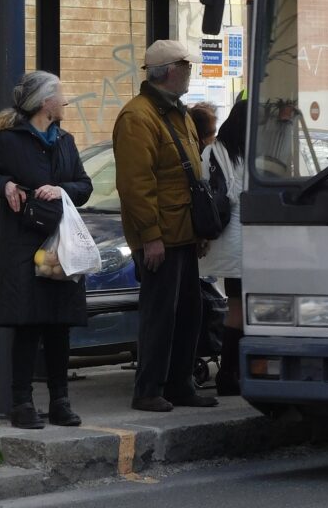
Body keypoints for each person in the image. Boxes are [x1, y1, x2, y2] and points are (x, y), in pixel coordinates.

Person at [0, 71, 92, 430]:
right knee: (28, 327)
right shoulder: (9, 142)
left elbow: (84, 185)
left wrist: (61, 190)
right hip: (22, 246)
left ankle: (61, 401)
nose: (65, 100)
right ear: (44, 103)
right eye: (59, 94)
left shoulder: (65, 141)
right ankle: (22, 404)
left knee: (59, 327)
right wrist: (4, 185)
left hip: (58, 249)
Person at [113, 39, 218, 412]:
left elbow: (191, 179)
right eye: (187, 68)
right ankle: (148, 389)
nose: (191, 74)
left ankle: (179, 384)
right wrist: (151, 237)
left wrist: (199, 232)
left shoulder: (179, 113)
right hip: (161, 237)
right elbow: (135, 185)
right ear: (171, 71)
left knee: (189, 313)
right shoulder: (137, 117)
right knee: (160, 316)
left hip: (183, 234)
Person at [199, 98, 247, 396]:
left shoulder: (212, 151)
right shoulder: (251, 155)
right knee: (242, 309)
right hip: (247, 242)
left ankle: (228, 373)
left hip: (225, 240)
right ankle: (230, 374)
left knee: (236, 306)